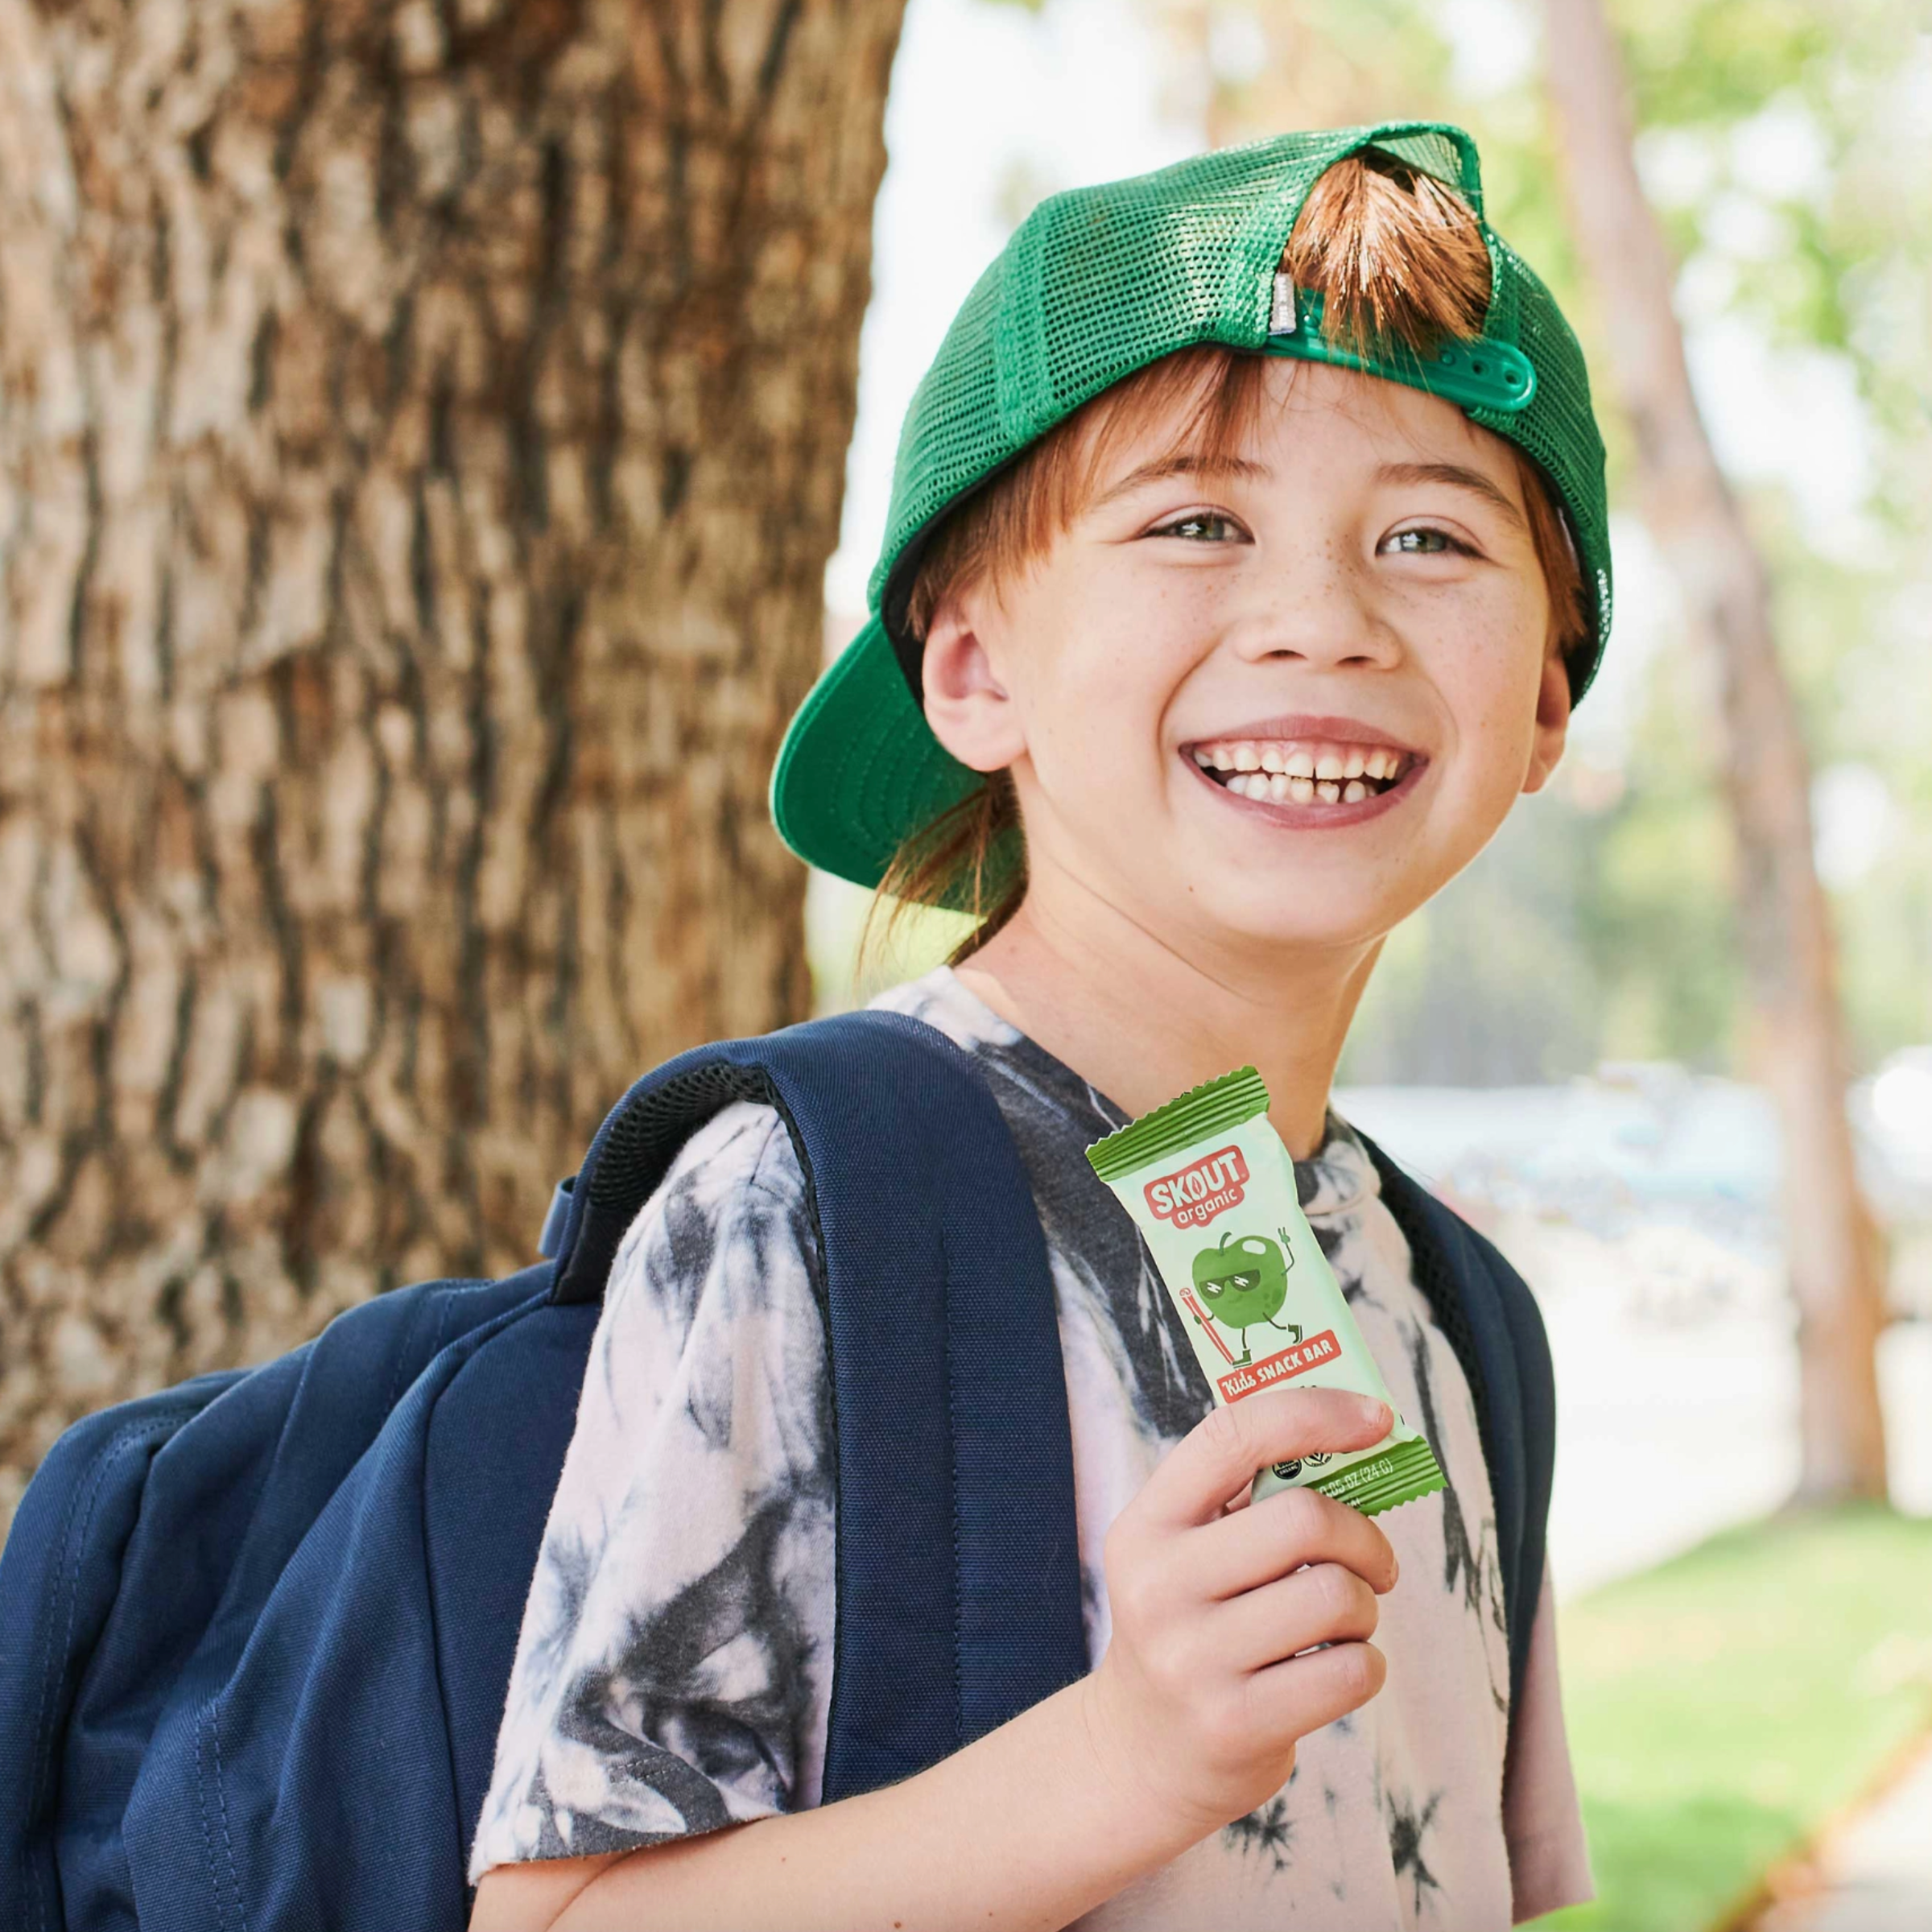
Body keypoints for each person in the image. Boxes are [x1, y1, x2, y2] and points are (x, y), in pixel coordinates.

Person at [469, 122, 1604, 1930]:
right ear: (974, 670)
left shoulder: (1461, 1305)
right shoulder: (813, 1203)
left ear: (1544, 701)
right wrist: (1125, 1764)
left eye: (1429, 535)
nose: (1322, 620)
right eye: (1196, 522)